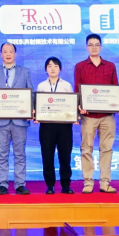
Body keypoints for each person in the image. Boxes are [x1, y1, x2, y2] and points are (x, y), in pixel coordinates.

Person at [74, 33, 119, 194]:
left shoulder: (110, 66)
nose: (94, 47)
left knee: (107, 149)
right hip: (88, 116)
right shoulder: (80, 66)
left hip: (107, 115)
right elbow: (77, 88)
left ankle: (105, 182)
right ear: (86, 47)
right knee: (86, 149)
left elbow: (115, 87)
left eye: (97, 44)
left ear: (101, 47)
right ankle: (88, 182)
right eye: (91, 44)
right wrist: (79, 106)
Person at [0, 42, 32, 195]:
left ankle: (20, 184)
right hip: (1, 120)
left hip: (20, 120)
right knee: (2, 154)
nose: (8, 54)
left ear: (15, 54)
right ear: (1, 54)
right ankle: (2, 184)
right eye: (5, 51)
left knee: (20, 154)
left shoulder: (25, 71)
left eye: (10, 51)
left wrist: (30, 109)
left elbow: (30, 93)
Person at [34, 57, 77, 195]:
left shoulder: (67, 85)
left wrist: (74, 116)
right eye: (49, 66)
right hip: (47, 126)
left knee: (65, 156)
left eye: (56, 66)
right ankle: (50, 185)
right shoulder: (41, 86)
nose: (52, 68)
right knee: (47, 156)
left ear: (60, 69)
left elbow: (71, 104)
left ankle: (66, 185)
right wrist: (36, 115)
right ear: (46, 69)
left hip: (64, 126)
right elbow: (38, 105)